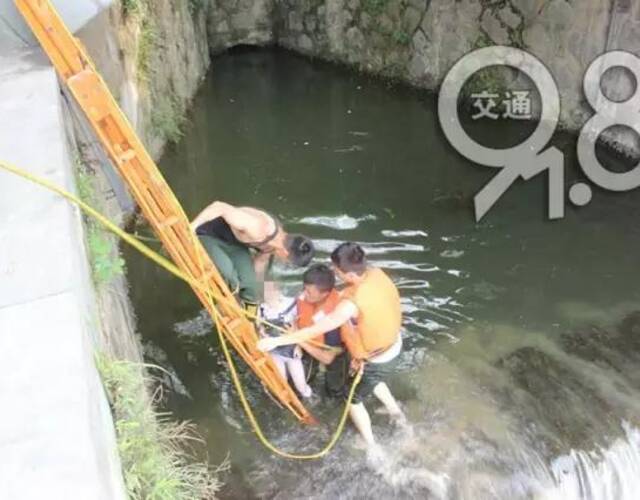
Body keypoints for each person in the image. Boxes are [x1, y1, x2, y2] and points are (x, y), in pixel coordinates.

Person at [258, 242, 405, 447]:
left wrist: (277, 340)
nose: (335, 274)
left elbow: (320, 328)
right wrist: (358, 355)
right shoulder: (376, 274)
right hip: (392, 344)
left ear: (347, 274)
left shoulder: (350, 304)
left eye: (336, 270)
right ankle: (397, 414)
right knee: (370, 380)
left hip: (377, 357)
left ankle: (371, 446)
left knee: (351, 399)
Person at [190, 201, 314, 311]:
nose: (284, 262)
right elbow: (219, 207)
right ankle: (228, 306)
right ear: (286, 253)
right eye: (287, 262)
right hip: (209, 235)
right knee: (231, 279)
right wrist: (191, 227)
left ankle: (251, 319)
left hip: (234, 245)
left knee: (251, 288)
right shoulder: (258, 226)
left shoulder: (274, 245)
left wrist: (260, 289)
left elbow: (259, 265)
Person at [296, 264, 350, 398]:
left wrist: (298, 339)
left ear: (324, 294)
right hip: (309, 340)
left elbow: (328, 358)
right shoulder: (305, 298)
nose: (304, 294)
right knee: (301, 382)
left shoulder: (334, 318)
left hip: (334, 349)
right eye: (304, 288)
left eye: (309, 292)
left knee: (335, 389)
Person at [259, 281, 313, 399]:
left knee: (301, 385)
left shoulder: (291, 304)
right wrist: (262, 333)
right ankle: (285, 399)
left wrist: (299, 346)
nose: (269, 297)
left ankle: (308, 397)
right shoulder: (262, 309)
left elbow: (300, 325)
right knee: (282, 381)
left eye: (272, 293)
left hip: (291, 348)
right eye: (266, 295)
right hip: (274, 351)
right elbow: (260, 326)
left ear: (279, 291)